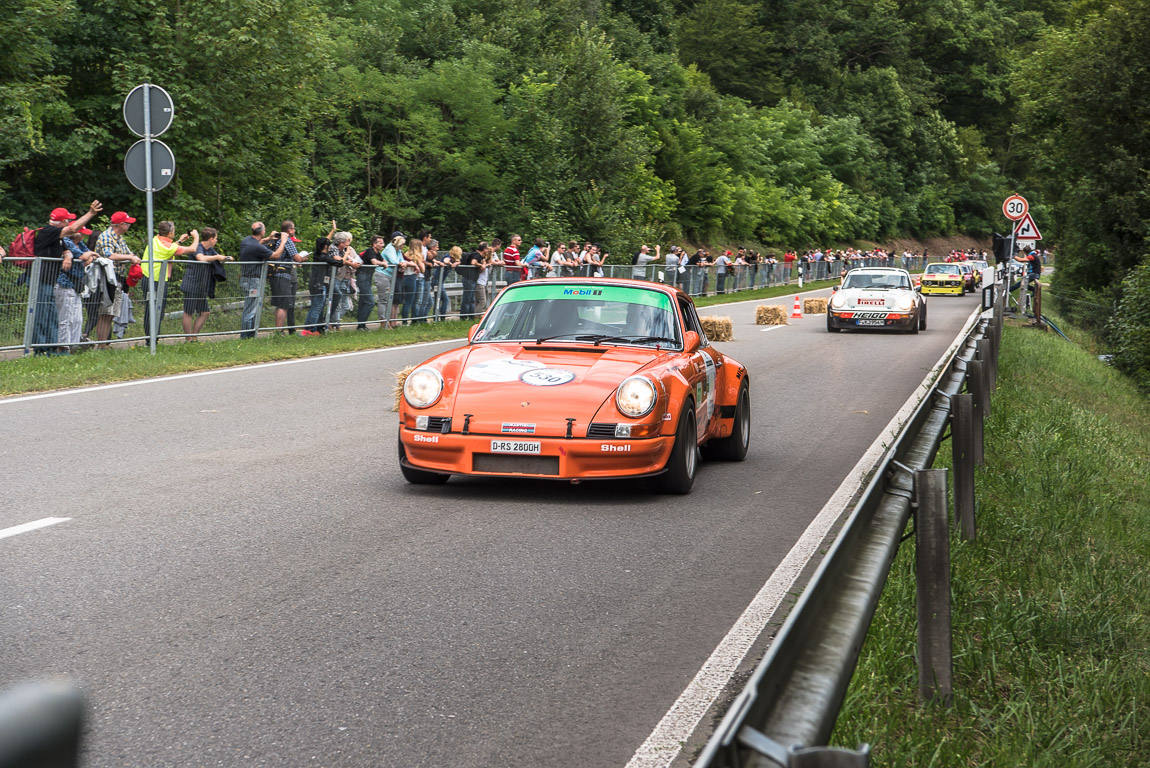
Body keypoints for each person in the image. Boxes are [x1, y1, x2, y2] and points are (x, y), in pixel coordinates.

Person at [90, 211, 141, 345]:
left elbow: (128, 252)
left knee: (111, 313)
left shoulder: (119, 238)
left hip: (117, 278)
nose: (129, 225)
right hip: (107, 278)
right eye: (128, 223)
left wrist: (133, 256)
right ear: (122, 224)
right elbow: (109, 255)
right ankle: (101, 344)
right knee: (105, 313)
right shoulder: (107, 236)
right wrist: (130, 258)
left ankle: (104, 344)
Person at [237, 222, 287, 339]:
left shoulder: (246, 241)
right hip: (253, 281)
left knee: (251, 308)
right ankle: (246, 337)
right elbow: (275, 255)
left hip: (246, 279)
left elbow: (258, 242)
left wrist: (269, 239)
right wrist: (283, 241)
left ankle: (250, 335)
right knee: (250, 310)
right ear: (262, 232)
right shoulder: (257, 247)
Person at [181, 227, 230, 342]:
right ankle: (188, 339)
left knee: (205, 312)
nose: (217, 241)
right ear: (211, 239)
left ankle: (194, 337)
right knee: (189, 312)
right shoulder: (198, 247)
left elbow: (218, 258)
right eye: (216, 238)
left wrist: (226, 258)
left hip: (202, 286)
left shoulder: (211, 250)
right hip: (191, 284)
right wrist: (217, 257)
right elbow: (201, 258)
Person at [56, 226, 97, 352]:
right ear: (76, 234)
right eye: (82, 234)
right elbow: (83, 256)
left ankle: (74, 345)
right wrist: (87, 256)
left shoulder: (80, 243)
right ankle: (64, 346)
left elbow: (90, 255)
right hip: (66, 283)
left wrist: (88, 256)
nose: (84, 236)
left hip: (77, 285)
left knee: (77, 318)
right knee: (66, 317)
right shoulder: (67, 242)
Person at [267, 220, 304, 333]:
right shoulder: (287, 240)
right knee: (284, 304)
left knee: (280, 304)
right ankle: (279, 331)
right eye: (293, 228)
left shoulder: (277, 239)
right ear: (289, 230)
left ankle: (279, 330)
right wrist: (303, 258)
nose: (294, 231)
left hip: (275, 274)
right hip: (282, 274)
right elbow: (297, 258)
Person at [302, 220, 338, 335]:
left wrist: (333, 230)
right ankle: (312, 330)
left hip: (316, 284)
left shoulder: (318, 254)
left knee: (314, 306)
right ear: (326, 246)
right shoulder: (324, 257)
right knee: (317, 307)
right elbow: (338, 263)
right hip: (319, 284)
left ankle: (307, 329)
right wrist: (346, 255)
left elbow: (325, 240)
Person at [357, 234, 387, 329]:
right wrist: (383, 264)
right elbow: (374, 262)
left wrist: (384, 263)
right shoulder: (370, 251)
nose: (383, 245)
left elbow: (383, 260)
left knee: (363, 302)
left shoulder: (377, 252)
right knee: (369, 302)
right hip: (363, 277)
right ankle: (361, 325)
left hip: (368, 277)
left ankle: (361, 325)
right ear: (374, 244)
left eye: (383, 243)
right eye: (380, 243)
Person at [458, 242, 483, 318]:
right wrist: (480, 265)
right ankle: (464, 316)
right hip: (469, 279)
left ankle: (470, 316)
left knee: (471, 299)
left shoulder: (476, 255)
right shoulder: (477, 255)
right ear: (484, 249)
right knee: (467, 298)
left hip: (471, 279)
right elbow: (473, 262)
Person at [474, 242, 493, 313]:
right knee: (482, 301)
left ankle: (475, 314)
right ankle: (475, 315)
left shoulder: (486, 262)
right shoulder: (482, 261)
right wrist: (484, 265)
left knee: (478, 301)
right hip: (479, 282)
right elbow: (480, 270)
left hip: (483, 283)